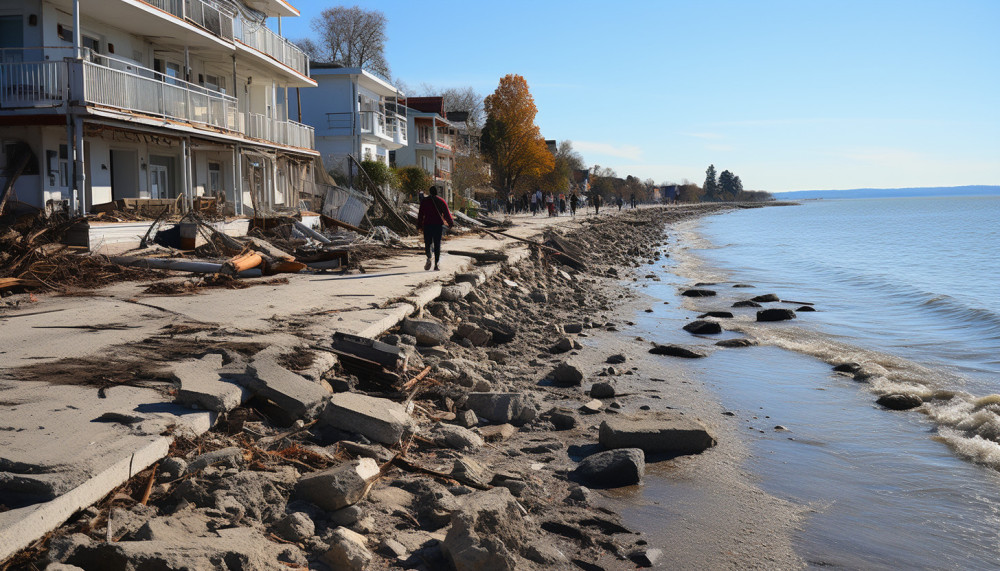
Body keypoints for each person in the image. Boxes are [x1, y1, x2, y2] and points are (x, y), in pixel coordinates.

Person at [416, 185, 454, 271]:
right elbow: (447, 213)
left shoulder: (424, 201)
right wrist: (450, 223)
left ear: (430, 192)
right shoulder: (441, 201)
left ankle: (429, 257)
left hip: (427, 225)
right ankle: (436, 265)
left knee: (428, 243)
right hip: (438, 226)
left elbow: (420, 214)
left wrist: (419, 225)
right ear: (437, 192)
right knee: (437, 244)